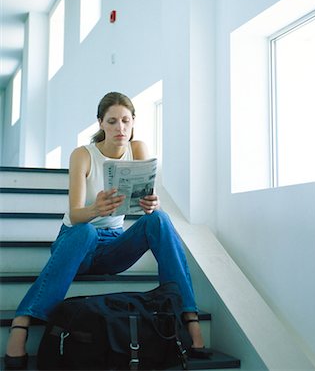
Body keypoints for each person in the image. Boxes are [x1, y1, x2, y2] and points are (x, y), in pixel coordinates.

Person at [5, 91, 211, 370]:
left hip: (113, 246)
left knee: (159, 219)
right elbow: (76, 213)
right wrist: (95, 210)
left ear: (133, 121)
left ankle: (188, 317)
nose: (120, 128)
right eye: (112, 121)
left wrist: (152, 203)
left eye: (126, 121)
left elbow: (145, 205)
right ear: (100, 123)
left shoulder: (138, 149)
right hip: (77, 243)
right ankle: (23, 321)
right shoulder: (83, 155)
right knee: (86, 231)